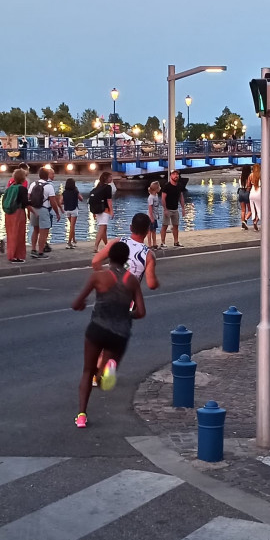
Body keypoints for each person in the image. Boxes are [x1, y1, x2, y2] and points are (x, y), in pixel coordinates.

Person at [71, 242, 146, 428]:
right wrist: (126, 313)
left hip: (97, 328)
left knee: (88, 371)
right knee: (106, 372)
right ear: (126, 259)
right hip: (120, 333)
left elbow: (77, 303)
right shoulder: (132, 280)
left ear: (109, 257)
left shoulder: (98, 276)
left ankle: (81, 415)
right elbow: (141, 312)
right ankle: (108, 368)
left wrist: (80, 305)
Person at [93, 213, 160, 290]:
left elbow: (95, 261)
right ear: (147, 231)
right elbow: (151, 284)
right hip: (129, 297)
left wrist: (105, 278)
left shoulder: (117, 242)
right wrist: (157, 283)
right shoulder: (148, 254)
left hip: (110, 294)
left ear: (130, 228)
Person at [28, 167, 61, 259]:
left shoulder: (33, 184)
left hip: (34, 209)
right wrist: (57, 213)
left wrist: (29, 211)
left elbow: (28, 198)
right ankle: (41, 252)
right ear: (47, 176)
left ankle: (33, 250)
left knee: (35, 230)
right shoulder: (49, 186)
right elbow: (53, 202)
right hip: (43, 209)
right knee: (43, 232)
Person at [3, 168, 30, 263]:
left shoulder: (9, 188)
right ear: (23, 178)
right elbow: (25, 203)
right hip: (18, 213)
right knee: (19, 234)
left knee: (10, 234)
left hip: (8, 213)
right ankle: (17, 256)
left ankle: (10, 254)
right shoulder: (22, 189)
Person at [161, 170, 186, 247]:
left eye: (177, 174)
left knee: (176, 226)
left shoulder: (179, 186)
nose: (176, 176)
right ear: (171, 176)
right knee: (165, 225)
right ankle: (162, 242)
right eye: (174, 174)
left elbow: (181, 197)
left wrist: (183, 208)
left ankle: (176, 242)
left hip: (175, 209)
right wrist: (165, 209)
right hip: (168, 209)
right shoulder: (167, 186)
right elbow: (163, 198)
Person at [62, 178, 83, 249]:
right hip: (74, 209)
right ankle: (69, 242)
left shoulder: (64, 192)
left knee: (71, 226)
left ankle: (74, 240)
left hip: (67, 209)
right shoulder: (75, 191)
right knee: (72, 226)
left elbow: (61, 201)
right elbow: (81, 199)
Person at [146, 181, 161, 248]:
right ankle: (149, 244)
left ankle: (154, 243)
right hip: (150, 216)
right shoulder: (151, 197)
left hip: (155, 216)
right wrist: (151, 217)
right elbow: (150, 208)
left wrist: (157, 215)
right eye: (159, 187)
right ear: (156, 189)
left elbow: (156, 207)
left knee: (154, 230)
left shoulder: (156, 196)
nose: (160, 188)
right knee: (149, 231)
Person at [247, 164, 262, 232]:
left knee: (253, 210)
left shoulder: (251, 175)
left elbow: (248, 185)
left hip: (252, 192)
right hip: (259, 191)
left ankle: (254, 224)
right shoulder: (261, 175)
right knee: (261, 209)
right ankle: (256, 221)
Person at [238, 165, 252, 230]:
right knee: (250, 210)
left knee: (243, 210)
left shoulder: (241, 176)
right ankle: (245, 220)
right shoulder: (249, 176)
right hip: (246, 192)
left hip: (240, 191)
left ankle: (242, 225)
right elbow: (249, 185)